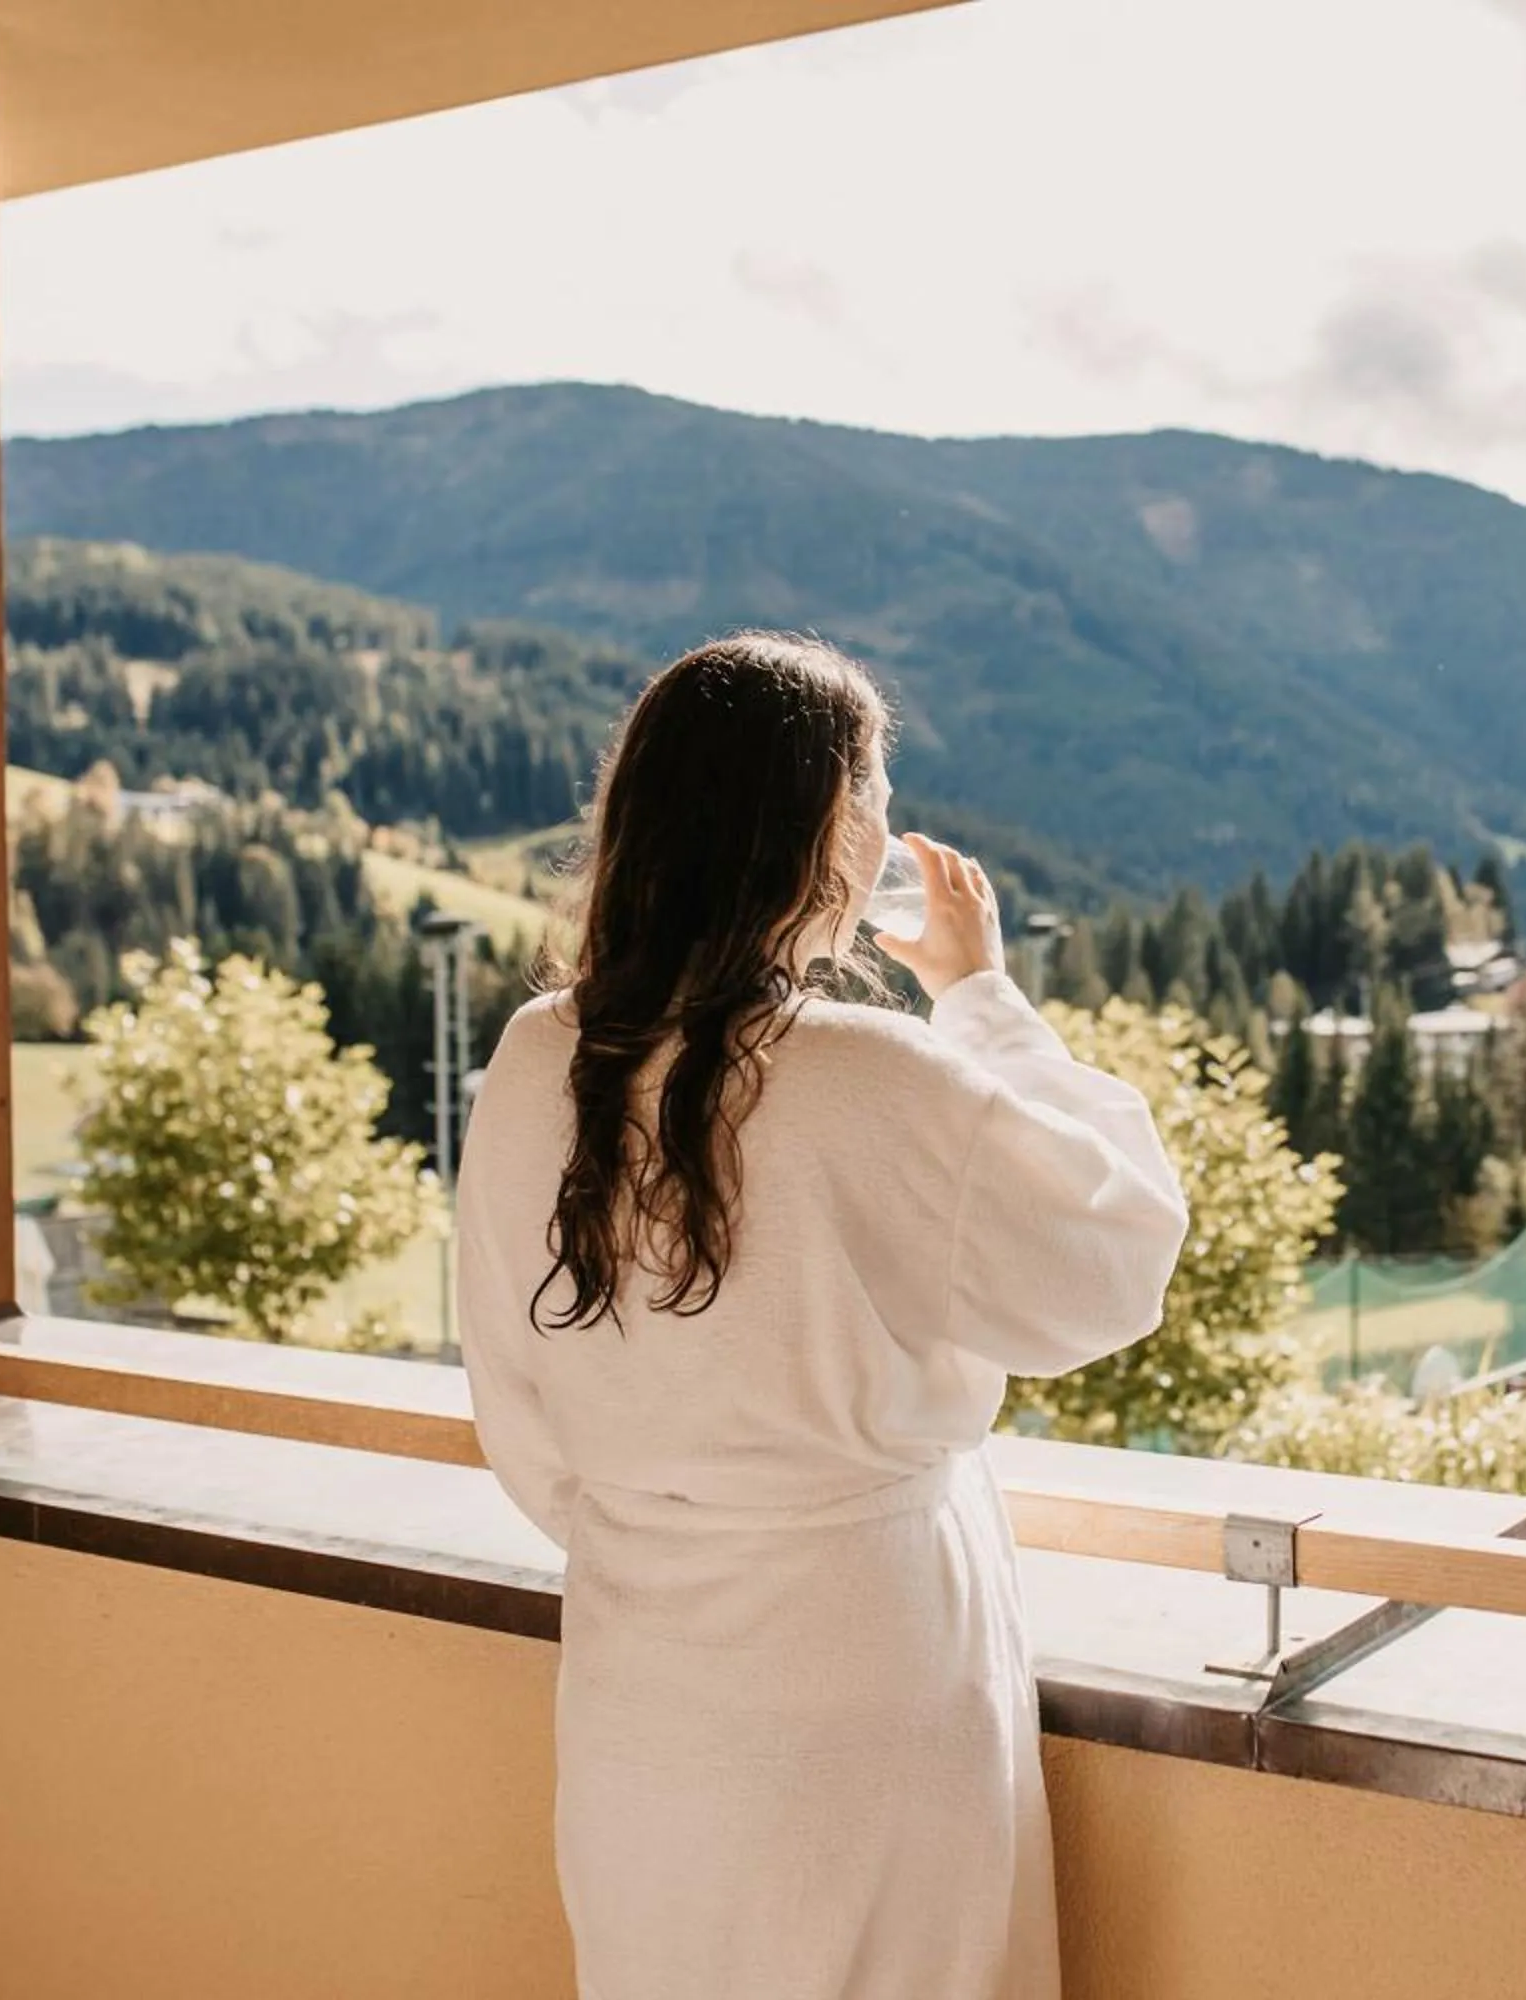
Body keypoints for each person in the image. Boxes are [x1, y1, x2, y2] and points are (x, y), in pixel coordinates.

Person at [457, 631, 1187, 2000]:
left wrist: (684, 1516)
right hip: (867, 1677)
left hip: (640, 1688)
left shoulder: (535, 1059)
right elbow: (1114, 1259)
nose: (889, 834)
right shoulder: (871, 1076)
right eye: (877, 800)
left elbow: (521, 1420)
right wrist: (983, 1000)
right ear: (824, 836)